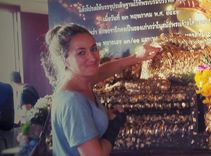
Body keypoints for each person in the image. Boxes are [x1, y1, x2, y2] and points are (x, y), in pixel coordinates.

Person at [42, 23, 160, 156]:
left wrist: (138, 57)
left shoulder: (79, 81)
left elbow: (104, 70)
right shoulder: (73, 101)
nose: (92, 57)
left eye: (94, 49)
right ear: (65, 60)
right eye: (81, 53)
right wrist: (113, 128)